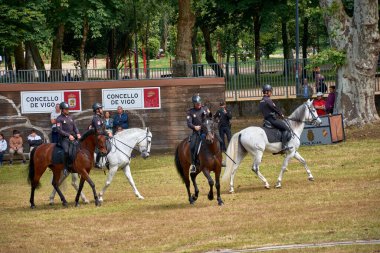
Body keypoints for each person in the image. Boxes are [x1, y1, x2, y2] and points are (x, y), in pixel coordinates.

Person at [259, 84, 292, 152]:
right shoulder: (268, 100)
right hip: (272, 119)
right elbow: (274, 108)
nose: (271, 93)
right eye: (270, 91)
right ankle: (284, 146)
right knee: (286, 128)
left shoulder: (261, 101)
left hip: (266, 119)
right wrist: (281, 114)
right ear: (267, 92)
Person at [187, 94, 212, 173]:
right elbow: (189, 123)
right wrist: (194, 127)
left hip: (206, 130)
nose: (199, 105)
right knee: (192, 146)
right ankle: (194, 164)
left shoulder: (205, 108)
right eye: (198, 104)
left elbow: (210, 117)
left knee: (216, 139)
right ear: (194, 104)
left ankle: (219, 159)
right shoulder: (190, 112)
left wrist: (209, 113)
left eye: (200, 103)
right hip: (197, 132)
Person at [56, 101, 81, 173]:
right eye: (66, 109)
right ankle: (65, 167)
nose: (68, 110)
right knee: (66, 151)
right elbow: (59, 130)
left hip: (72, 137)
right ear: (62, 110)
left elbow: (75, 127)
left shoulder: (71, 117)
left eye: (68, 109)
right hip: (63, 138)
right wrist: (68, 135)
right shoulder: (59, 119)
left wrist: (78, 133)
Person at [91, 103, 112, 168]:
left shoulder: (100, 117)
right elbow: (99, 131)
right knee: (104, 144)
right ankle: (97, 162)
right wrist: (107, 133)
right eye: (100, 109)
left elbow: (103, 129)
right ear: (97, 110)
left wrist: (107, 132)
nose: (102, 110)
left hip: (101, 135)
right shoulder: (96, 118)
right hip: (97, 136)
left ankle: (108, 160)